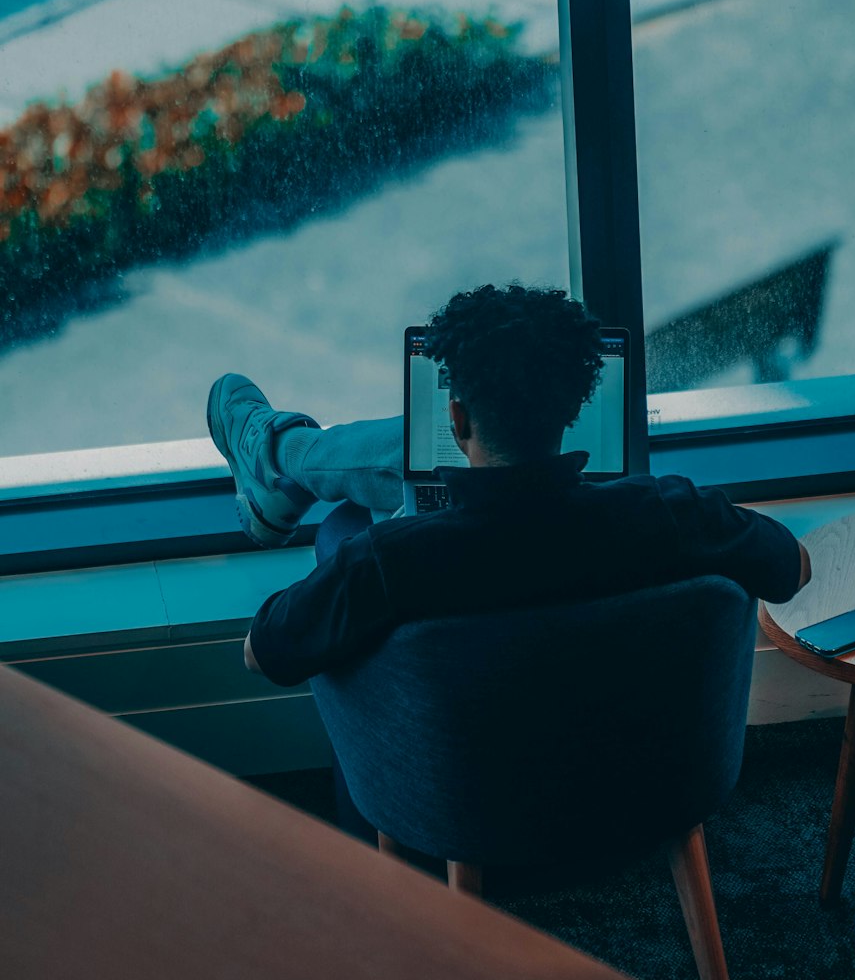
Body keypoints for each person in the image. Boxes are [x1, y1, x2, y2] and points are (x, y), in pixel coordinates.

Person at [206, 283, 810, 687]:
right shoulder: (668, 513)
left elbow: (262, 654)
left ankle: (280, 459)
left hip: (455, 811)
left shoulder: (390, 561)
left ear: (459, 420)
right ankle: (284, 459)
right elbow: (793, 568)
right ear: (575, 411)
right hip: (643, 791)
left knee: (362, 503)